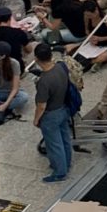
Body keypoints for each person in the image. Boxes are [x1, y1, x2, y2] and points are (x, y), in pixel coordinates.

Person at [33, 43, 72, 183]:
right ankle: (67, 162)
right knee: (64, 138)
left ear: (37, 59)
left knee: (54, 144)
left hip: (51, 115)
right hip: (63, 108)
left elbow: (41, 105)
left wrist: (36, 119)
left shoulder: (44, 80)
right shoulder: (61, 67)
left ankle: (60, 172)